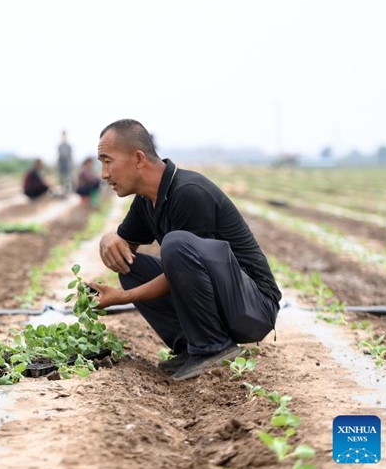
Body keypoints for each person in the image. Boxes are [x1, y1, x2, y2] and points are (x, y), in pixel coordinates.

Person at [87, 119, 281, 381]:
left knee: (177, 244)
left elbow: (183, 267)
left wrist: (122, 297)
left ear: (139, 158)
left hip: (254, 308)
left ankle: (212, 346)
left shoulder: (189, 192)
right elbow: (122, 253)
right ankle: (190, 347)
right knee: (133, 268)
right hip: (228, 300)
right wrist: (108, 240)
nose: (104, 174)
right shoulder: (147, 201)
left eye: (107, 161)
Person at [57, 130, 74, 194]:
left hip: (67, 162)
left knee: (68, 177)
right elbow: (59, 155)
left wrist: (72, 164)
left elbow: (70, 155)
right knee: (61, 177)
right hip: (62, 162)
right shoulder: (60, 146)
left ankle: (67, 191)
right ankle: (63, 190)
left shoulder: (68, 145)